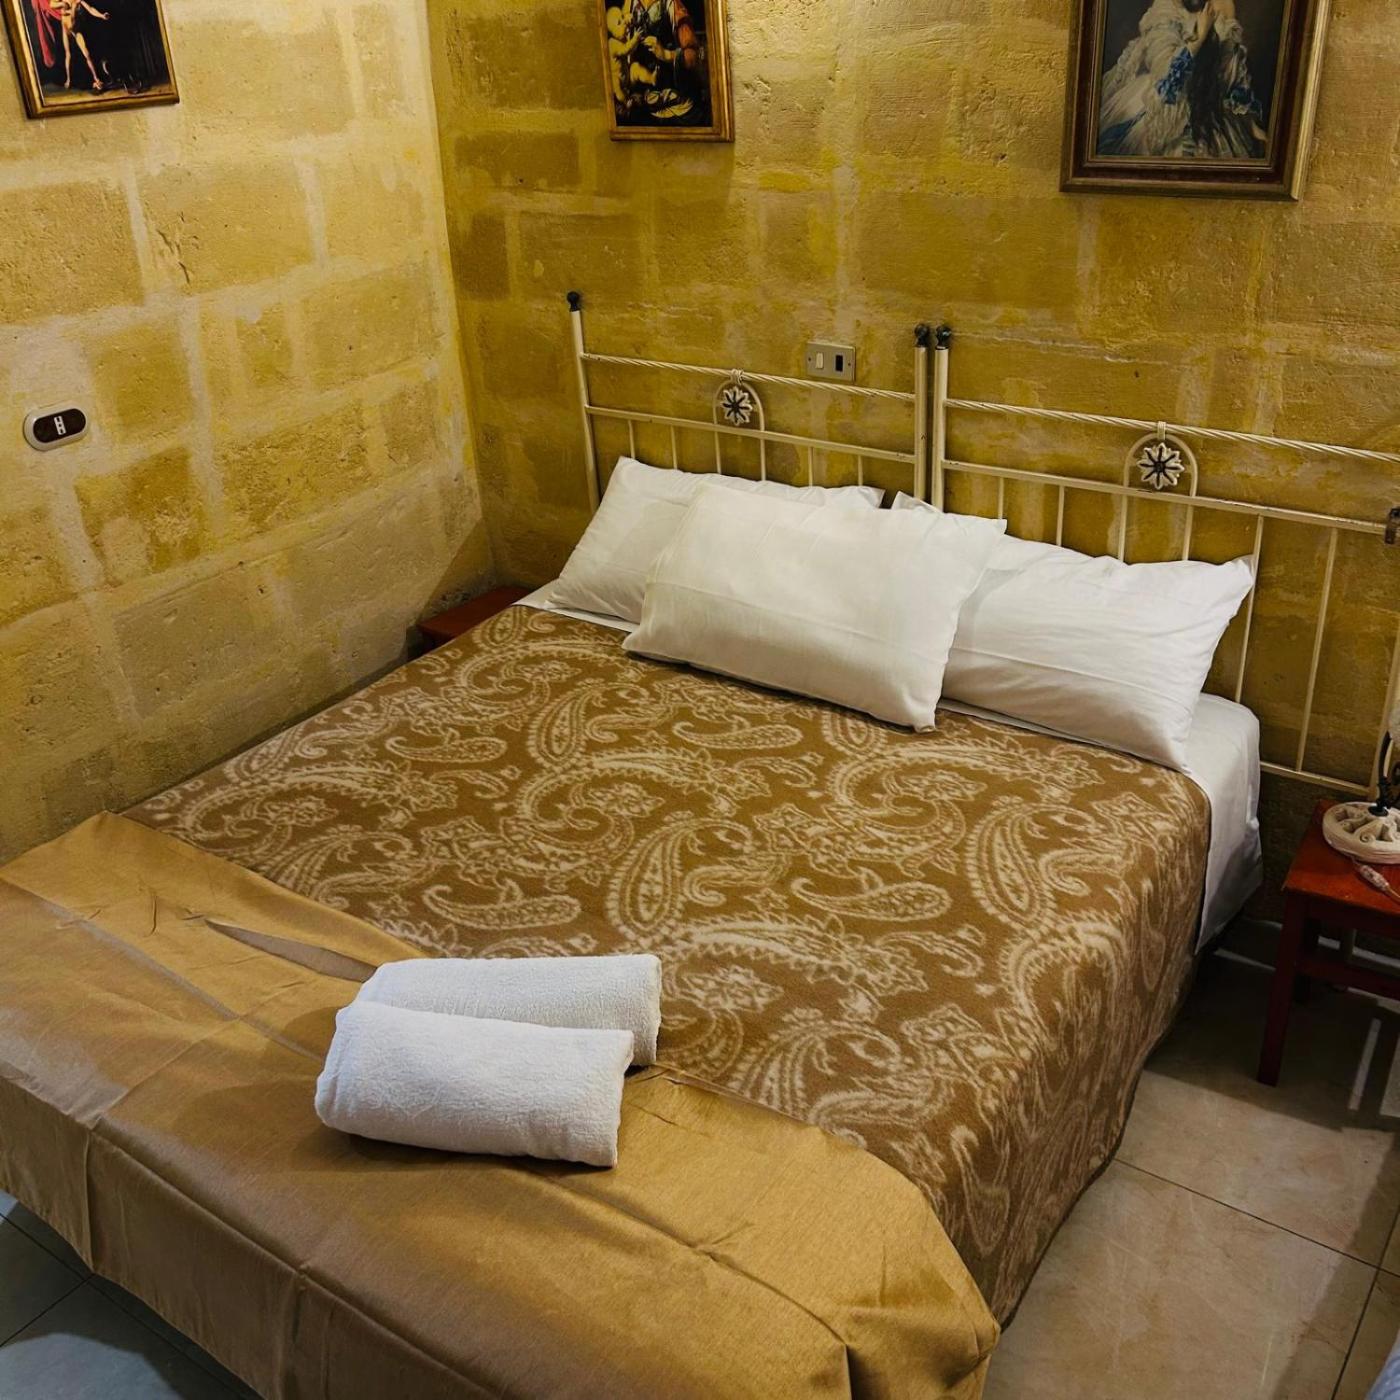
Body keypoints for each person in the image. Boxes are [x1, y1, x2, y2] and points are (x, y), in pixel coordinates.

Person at [1098, 0, 1267, 160]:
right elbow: (1166, 76)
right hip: (1169, 104)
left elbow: (1228, 73)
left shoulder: (1224, 4)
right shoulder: (1167, 8)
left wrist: (1250, 124)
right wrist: (1200, 37)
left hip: (1210, 106)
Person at [51, 0, 110, 92]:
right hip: (66, 29)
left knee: (87, 54)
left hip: (75, 29)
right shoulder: (63, 1)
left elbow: (90, 9)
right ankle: (68, 79)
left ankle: (96, 78)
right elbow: (52, 5)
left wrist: (101, 15)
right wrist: (62, 4)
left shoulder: (78, 1)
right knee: (68, 54)